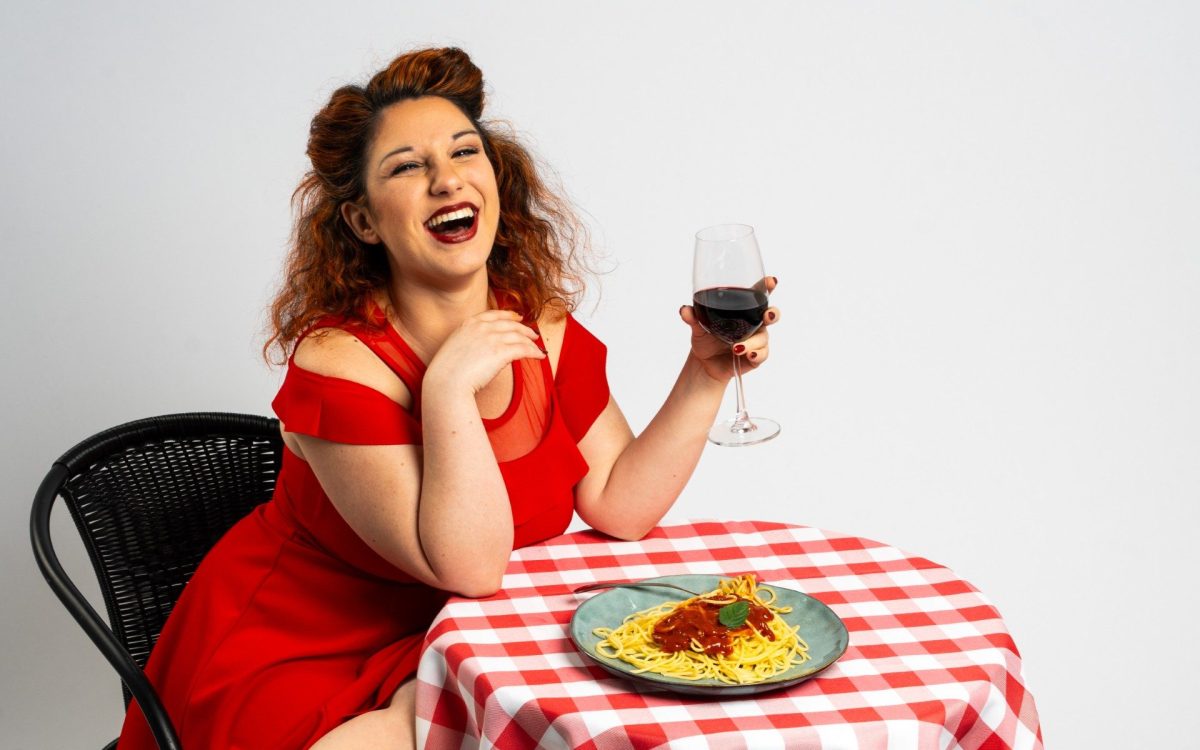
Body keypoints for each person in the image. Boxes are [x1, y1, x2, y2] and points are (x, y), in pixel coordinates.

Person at [117, 47, 779, 749]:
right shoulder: (339, 361)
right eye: (406, 166)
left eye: (465, 152)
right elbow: (469, 565)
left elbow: (619, 502)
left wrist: (704, 374)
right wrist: (448, 387)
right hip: (299, 652)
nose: (445, 179)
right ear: (364, 222)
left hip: (457, 634)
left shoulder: (542, 325)